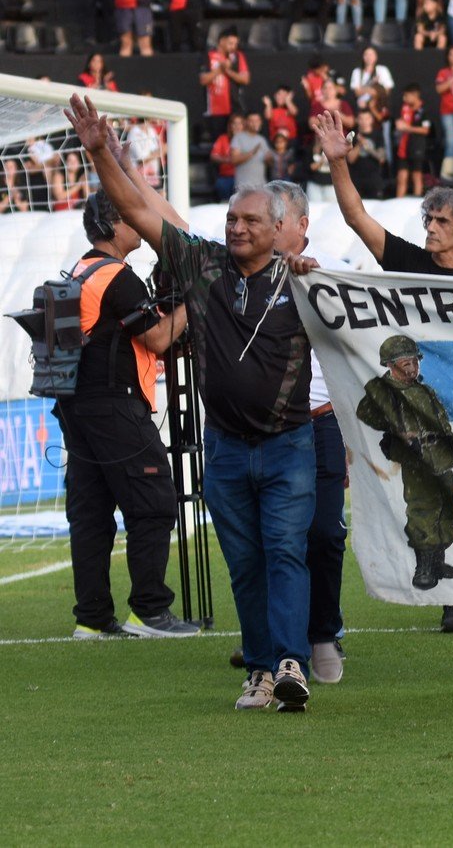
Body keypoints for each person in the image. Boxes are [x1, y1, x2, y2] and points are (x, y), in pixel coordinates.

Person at [65, 95, 318, 713]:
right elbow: (132, 207)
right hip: (226, 448)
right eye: (231, 218)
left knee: (285, 551)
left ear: (280, 228)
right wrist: (101, 150)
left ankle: (290, 663)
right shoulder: (201, 265)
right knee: (245, 564)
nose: (236, 228)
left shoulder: (310, 279)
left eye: (250, 222)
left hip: (289, 444)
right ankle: (261, 669)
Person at [308, 109, 453, 634]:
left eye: (441, 221)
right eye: (428, 221)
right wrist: (338, 163)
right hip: (417, 410)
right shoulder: (408, 266)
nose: (432, 229)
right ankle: (436, 575)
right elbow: (356, 217)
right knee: (424, 495)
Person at [53, 192, 196, 640]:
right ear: (114, 224)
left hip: (76, 406)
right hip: (113, 404)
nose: (139, 224)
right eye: (131, 218)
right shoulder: (117, 277)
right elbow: (156, 340)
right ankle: (150, 612)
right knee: (154, 499)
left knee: (91, 511)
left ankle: (92, 619)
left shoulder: (80, 269)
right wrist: (191, 297)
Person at [266, 180, 351, 683]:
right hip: (264, 427)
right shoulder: (239, 278)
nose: (266, 230)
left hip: (319, 421)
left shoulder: (328, 274)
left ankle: (323, 632)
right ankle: (273, 640)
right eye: (261, 220)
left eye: (277, 220)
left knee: (323, 533)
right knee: (272, 539)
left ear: (302, 226)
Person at [357, 335, 453, 591]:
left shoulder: (424, 390)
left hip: (439, 457)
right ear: (391, 365)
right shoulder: (383, 391)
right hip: (417, 461)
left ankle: (437, 564)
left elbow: (442, 427)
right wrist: (396, 427)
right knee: (423, 510)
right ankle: (424, 567)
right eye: (407, 364)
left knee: (446, 511)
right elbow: (365, 413)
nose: (413, 368)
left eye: (415, 362)